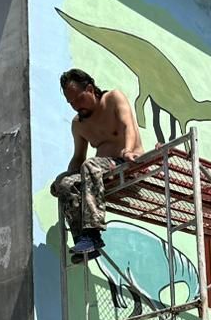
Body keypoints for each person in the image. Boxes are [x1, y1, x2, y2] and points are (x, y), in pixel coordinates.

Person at [51, 68, 144, 261]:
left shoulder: (113, 99)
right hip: (101, 172)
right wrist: (65, 180)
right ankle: (84, 241)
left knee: (90, 165)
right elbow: (78, 157)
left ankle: (93, 230)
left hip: (127, 165)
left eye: (79, 98)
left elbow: (127, 125)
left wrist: (127, 151)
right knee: (64, 183)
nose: (76, 105)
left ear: (91, 89)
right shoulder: (78, 124)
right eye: (71, 103)